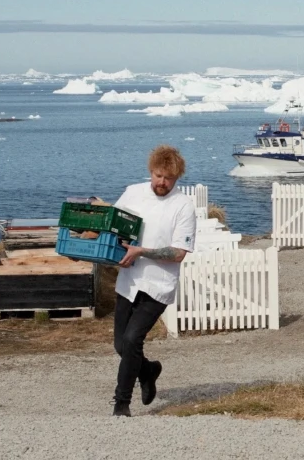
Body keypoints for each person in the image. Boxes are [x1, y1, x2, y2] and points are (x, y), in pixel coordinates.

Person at [109, 145, 197, 417]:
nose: (162, 182)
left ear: (177, 177)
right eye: (158, 176)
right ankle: (148, 370)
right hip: (129, 280)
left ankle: (121, 404)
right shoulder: (132, 193)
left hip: (158, 285)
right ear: (151, 171)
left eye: (168, 178)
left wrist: (142, 252)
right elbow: (111, 225)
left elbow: (179, 253)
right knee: (120, 345)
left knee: (133, 339)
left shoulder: (183, 206)